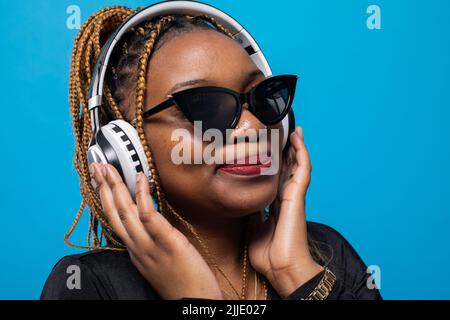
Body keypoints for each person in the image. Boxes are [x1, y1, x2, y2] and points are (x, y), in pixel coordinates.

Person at [41, 5, 382, 300]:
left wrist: (296, 273)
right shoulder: (90, 284)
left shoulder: (326, 252)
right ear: (124, 146)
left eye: (262, 97)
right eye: (205, 106)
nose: (252, 129)